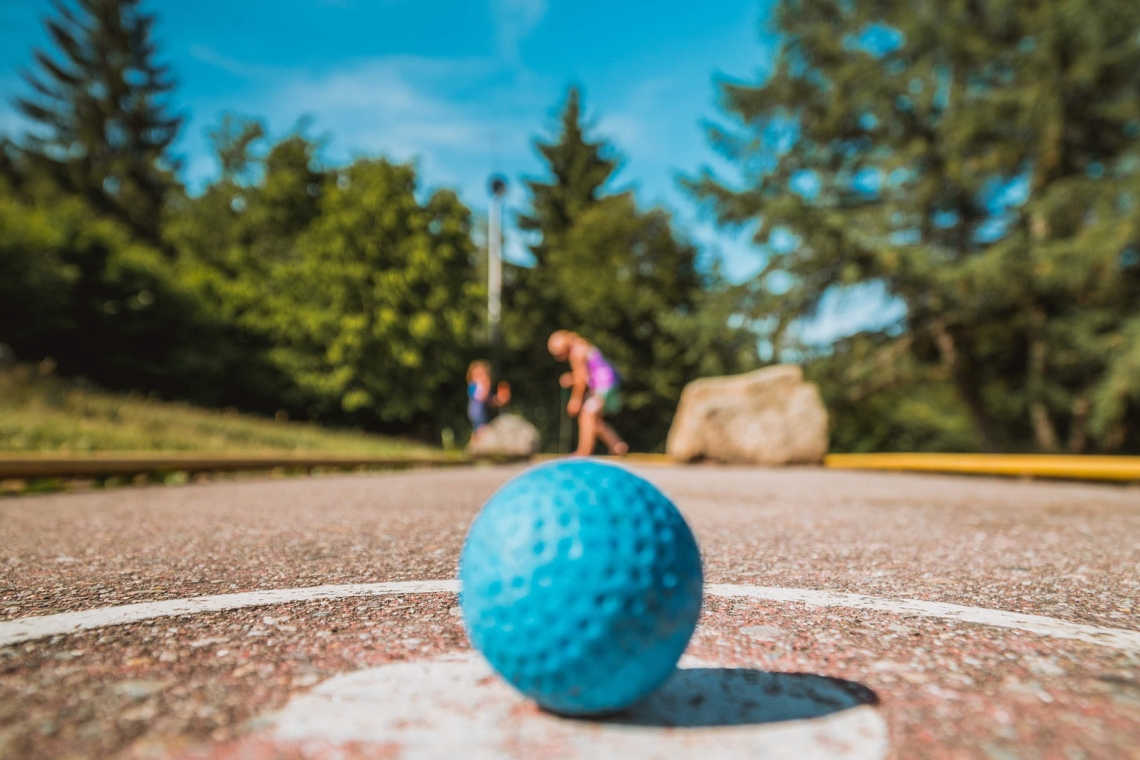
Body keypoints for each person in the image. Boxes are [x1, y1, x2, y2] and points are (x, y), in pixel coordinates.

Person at [547, 330, 628, 457]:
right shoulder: (581, 345)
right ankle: (617, 445)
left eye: (558, 354)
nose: (558, 358)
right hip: (609, 383)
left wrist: (576, 400)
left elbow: (581, 378)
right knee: (595, 421)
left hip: (602, 386)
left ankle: (583, 452)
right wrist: (571, 378)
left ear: (564, 348)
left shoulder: (576, 352)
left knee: (586, 415)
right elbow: (589, 371)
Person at [467, 360, 510, 439]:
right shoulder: (473, 386)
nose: (481, 377)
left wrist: (500, 399)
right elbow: (481, 397)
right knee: (480, 431)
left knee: (479, 430)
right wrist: (487, 384)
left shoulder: (483, 388)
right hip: (476, 414)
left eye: (483, 375)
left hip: (483, 414)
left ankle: (476, 446)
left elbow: (490, 401)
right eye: (478, 375)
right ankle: (474, 447)